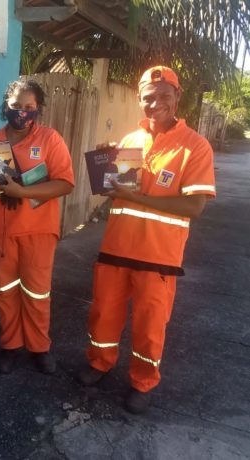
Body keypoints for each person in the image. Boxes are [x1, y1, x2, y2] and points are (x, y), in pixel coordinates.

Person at [78, 65, 216, 414]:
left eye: (164, 95)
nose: (156, 103)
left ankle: (143, 380)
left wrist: (135, 196)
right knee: (103, 314)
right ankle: (99, 362)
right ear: (139, 99)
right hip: (115, 249)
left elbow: (195, 206)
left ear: (177, 96)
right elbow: (115, 193)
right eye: (148, 97)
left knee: (150, 325)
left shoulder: (195, 147)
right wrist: (104, 171)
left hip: (159, 258)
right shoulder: (130, 141)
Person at [0, 79, 75, 375]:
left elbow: (65, 183)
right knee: (5, 292)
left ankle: (39, 347)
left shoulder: (49, 139)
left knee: (37, 293)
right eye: (16, 106)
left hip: (38, 231)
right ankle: (10, 345)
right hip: (0, 231)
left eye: (29, 107)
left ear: (38, 109)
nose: (22, 112)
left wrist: (24, 193)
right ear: (6, 105)